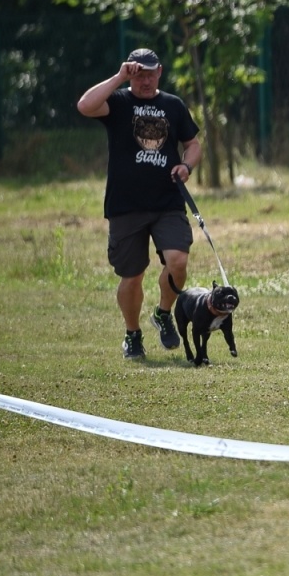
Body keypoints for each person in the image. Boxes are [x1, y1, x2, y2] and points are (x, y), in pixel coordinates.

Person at [77, 48, 203, 359]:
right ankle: (132, 334)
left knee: (178, 261)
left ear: (160, 71)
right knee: (131, 275)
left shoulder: (173, 105)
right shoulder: (118, 103)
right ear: (132, 74)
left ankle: (163, 313)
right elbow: (85, 105)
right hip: (125, 204)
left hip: (167, 201)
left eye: (150, 73)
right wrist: (119, 77)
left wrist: (186, 166)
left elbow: (193, 144)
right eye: (139, 74)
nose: (145, 80)